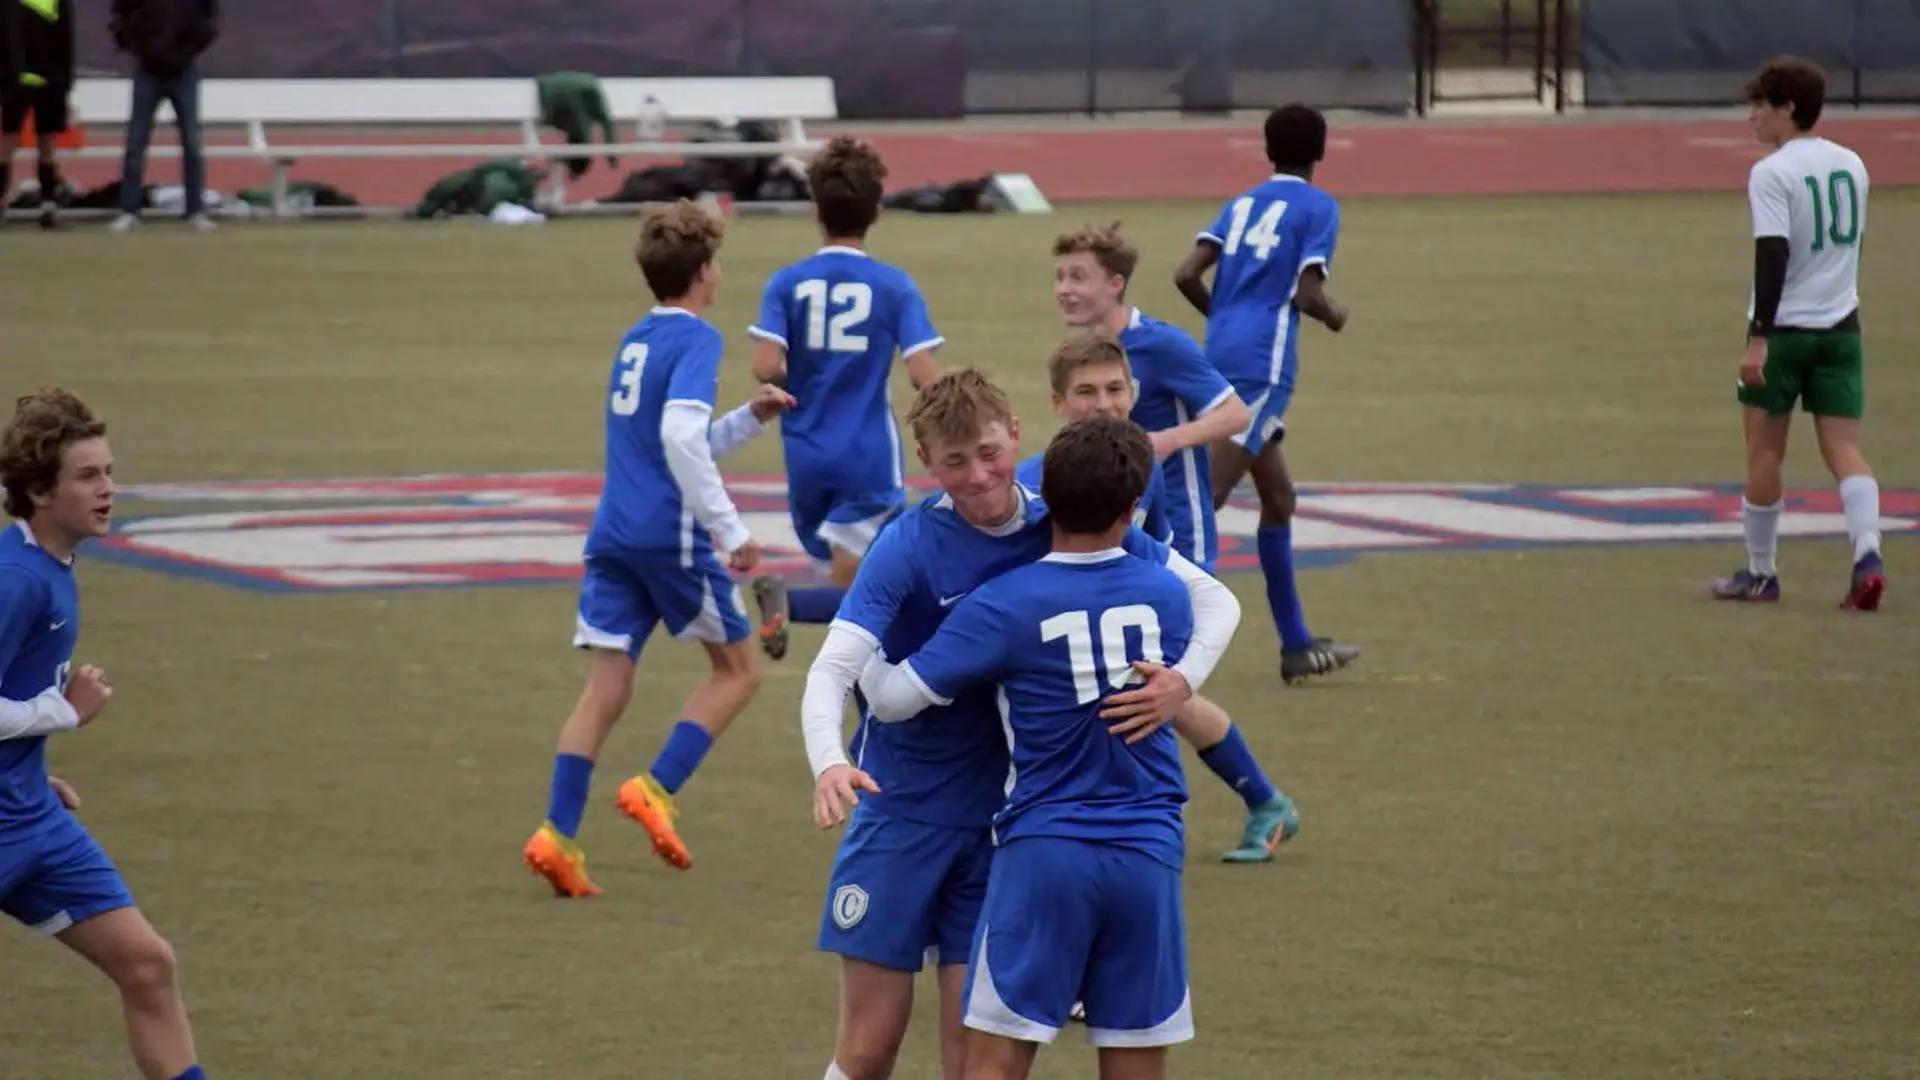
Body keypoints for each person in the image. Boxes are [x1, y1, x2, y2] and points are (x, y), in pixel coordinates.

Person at [799, 369, 1239, 1080]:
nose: (977, 477)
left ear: (1015, 436)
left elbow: (1214, 602)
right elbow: (830, 672)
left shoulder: (1059, 518)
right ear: (927, 466)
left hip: (1004, 831)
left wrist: (1180, 684)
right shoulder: (907, 546)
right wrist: (828, 760)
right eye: (953, 463)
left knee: (969, 1054)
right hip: (901, 810)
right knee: (869, 1046)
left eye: (988, 453)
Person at [523, 200, 796, 897]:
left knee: (606, 687)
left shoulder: (635, 339)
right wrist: (732, 532)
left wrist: (746, 420)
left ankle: (556, 834)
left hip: (612, 531)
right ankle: (656, 788)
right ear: (705, 272)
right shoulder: (698, 340)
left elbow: (668, 440)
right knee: (737, 672)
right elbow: (677, 442)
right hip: (665, 535)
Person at [1018, 331, 1297, 862]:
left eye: (1114, 389)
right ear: (1058, 404)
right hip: (1052, 623)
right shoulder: (1034, 485)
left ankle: (1170, 818)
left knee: (1152, 703)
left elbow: (1157, 545)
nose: (1104, 404)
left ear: (1133, 391)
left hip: (1119, 615)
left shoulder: (1140, 465)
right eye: (1086, 393)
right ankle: (1259, 800)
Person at [1, 388, 210, 1080]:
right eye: (87, 477)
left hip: (31, 815)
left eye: (109, 473)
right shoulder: (16, 581)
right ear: (37, 491)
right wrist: (65, 714)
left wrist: (29, 764)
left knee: (147, 965)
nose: (108, 490)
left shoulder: (52, 567)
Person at [1174, 104, 1360, 685]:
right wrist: (1335, 315)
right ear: (1322, 152)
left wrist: (1226, 318)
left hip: (1221, 348)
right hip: (1263, 365)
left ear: (1266, 149)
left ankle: (1296, 645)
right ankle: (1142, 635)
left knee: (1278, 499)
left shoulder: (1244, 201)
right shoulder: (1318, 206)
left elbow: (1185, 274)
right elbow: (1307, 293)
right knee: (1205, 502)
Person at [746, 136, 943, 659]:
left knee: (881, 598)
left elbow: (765, 365)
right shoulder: (894, 286)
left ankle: (867, 710)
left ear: (816, 211)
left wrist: (796, 377)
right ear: (876, 209)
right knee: (873, 605)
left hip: (806, 456)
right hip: (867, 461)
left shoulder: (786, 283)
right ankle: (793, 605)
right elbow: (924, 374)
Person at [1712, 56, 1884, 610]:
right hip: (1841, 328)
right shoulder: (1852, 163)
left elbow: (1773, 253)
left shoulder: (1772, 172)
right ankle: (1868, 554)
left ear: (1787, 109)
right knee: (1846, 449)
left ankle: (1761, 573)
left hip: (1785, 331)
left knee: (1764, 448)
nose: (1752, 117)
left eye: (1760, 105)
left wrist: (1758, 337)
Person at [1052, 221, 1248, 568]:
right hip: (1117, 529)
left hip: (1179, 530)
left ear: (1116, 284)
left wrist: (1165, 441)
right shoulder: (1083, 352)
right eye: (1060, 277)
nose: (1064, 289)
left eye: (1078, 277)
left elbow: (1235, 414)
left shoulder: (1160, 344)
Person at [106, 0, 219, 232]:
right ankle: (129, 211)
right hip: (147, 68)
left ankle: (195, 211)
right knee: (136, 143)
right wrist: (137, 45)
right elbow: (119, 13)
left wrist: (190, 48)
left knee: (192, 143)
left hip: (184, 69)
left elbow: (209, 16)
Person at [0, 0, 75, 230]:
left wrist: (65, 81)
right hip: (15, 83)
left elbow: (66, 38)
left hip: (50, 83)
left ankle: (48, 206)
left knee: (47, 144)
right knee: (7, 142)